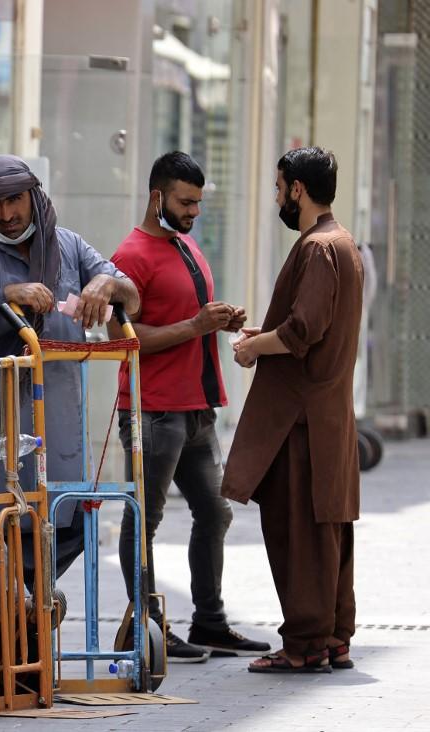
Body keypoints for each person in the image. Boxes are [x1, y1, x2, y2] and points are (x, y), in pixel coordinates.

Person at [0, 154, 140, 584]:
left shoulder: (70, 247)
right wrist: (4, 298)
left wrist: (106, 283)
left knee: (67, 522)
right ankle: (4, 609)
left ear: (33, 195)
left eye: (14, 200)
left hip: (56, 423)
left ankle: (30, 605)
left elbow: (133, 297)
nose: (5, 214)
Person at [108, 151, 269, 663]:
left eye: (198, 202)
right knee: (145, 518)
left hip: (197, 408)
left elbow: (185, 318)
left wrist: (219, 322)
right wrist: (195, 325)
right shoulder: (130, 256)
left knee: (215, 512)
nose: (194, 211)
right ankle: (148, 626)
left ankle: (210, 623)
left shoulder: (184, 243)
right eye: (185, 202)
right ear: (157, 197)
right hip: (154, 409)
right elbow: (120, 337)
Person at [223, 147, 363, 674]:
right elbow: (316, 329)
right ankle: (333, 638)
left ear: (298, 190)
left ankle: (306, 645)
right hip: (327, 415)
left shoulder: (319, 247)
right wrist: (264, 335)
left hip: (301, 422)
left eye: (280, 188)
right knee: (327, 529)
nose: (277, 197)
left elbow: (303, 331)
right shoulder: (342, 243)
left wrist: (251, 348)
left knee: (299, 531)